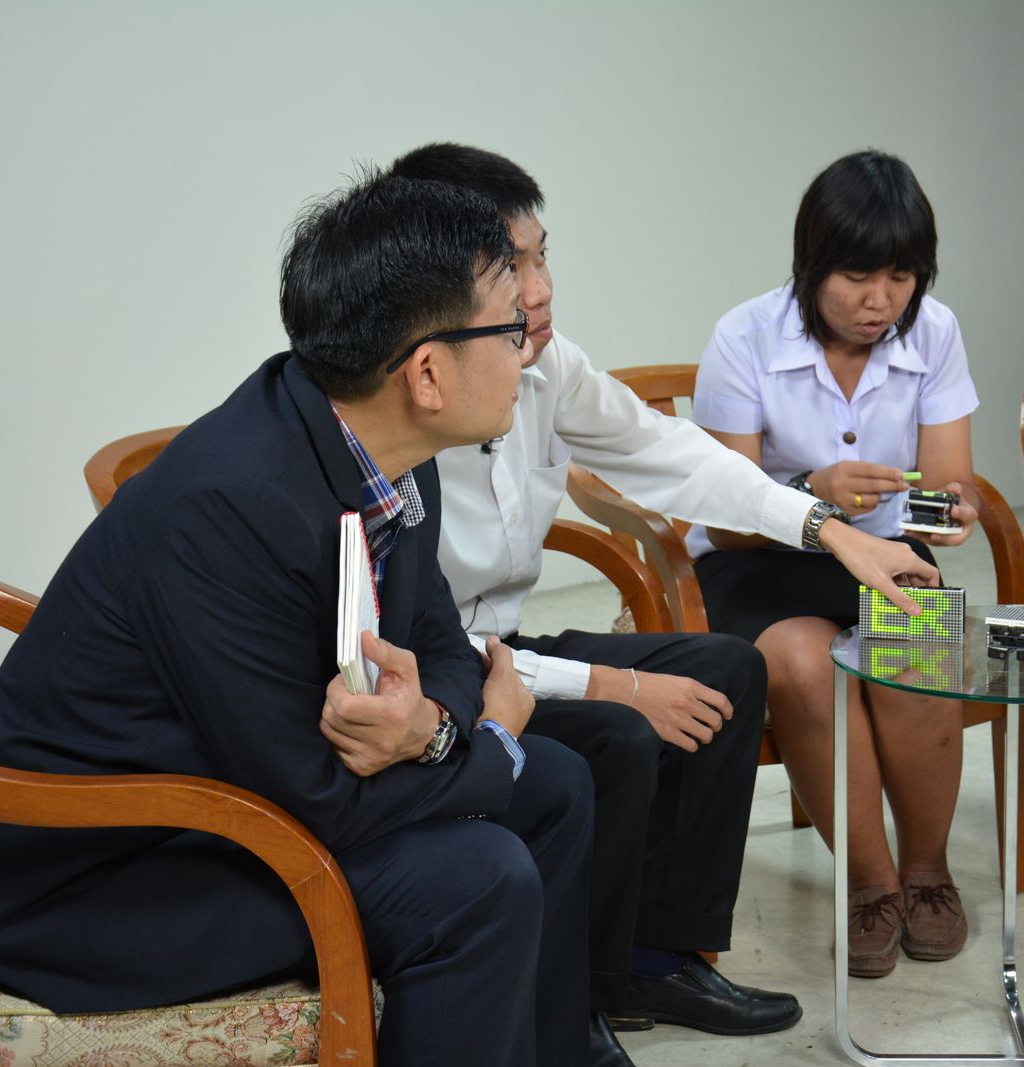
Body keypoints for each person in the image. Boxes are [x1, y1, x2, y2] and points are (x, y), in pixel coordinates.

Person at [0, 173, 597, 1065]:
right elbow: (317, 797)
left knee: (555, 784)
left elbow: (441, 644)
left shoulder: (392, 450)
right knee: (477, 879)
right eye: (509, 328)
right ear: (427, 373)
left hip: (241, 797)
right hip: (101, 877)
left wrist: (434, 725)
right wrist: (478, 743)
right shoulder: (228, 506)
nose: (526, 351)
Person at [386, 144, 942, 1065]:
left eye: (543, 254)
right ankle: (583, 993)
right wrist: (618, 684)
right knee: (621, 729)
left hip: (509, 641)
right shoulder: (405, 408)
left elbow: (672, 454)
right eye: (513, 266)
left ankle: (660, 957)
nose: (541, 289)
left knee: (726, 666)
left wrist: (825, 529)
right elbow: (422, 643)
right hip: (447, 671)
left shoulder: (548, 364)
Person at [687, 150, 982, 979]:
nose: (880, 300)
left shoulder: (936, 330)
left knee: (918, 635)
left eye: (901, 277)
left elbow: (951, 478)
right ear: (812, 264)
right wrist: (809, 491)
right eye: (856, 276)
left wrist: (955, 509)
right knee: (803, 663)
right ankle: (870, 885)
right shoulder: (744, 336)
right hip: (760, 558)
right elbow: (726, 515)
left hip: (884, 552)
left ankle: (928, 872)